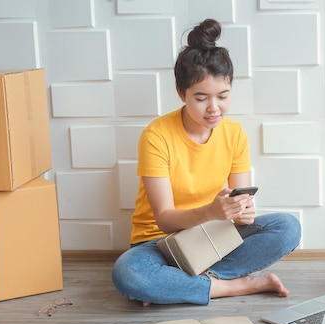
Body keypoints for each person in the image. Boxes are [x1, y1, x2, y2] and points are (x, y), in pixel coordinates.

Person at [111, 19, 301, 306]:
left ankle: (180, 284)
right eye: (201, 98)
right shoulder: (156, 136)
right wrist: (211, 211)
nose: (214, 108)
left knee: (288, 226)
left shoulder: (234, 133)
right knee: (129, 273)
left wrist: (243, 213)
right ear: (181, 93)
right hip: (159, 244)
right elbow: (163, 219)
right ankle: (235, 286)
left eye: (223, 96)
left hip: (213, 239)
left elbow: (241, 210)